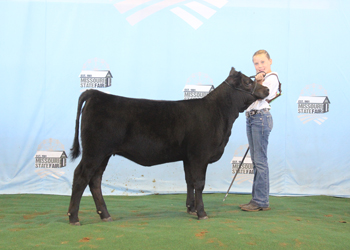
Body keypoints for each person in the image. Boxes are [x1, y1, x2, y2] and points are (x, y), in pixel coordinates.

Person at [240, 50, 279, 212]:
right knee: (257, 161)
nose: (259, 66)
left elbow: (263, 95)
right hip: (252, 118)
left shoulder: (272, 78)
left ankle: (261, 201)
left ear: (270, 61)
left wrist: (257, 83)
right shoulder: (258, 80)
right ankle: (256, 199)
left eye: (262, 62)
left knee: (260, 161)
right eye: (256, 63)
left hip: (261, 118)